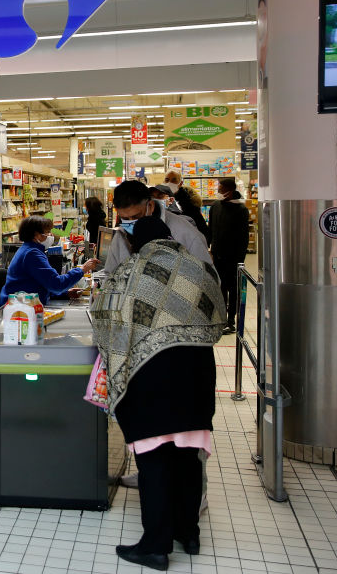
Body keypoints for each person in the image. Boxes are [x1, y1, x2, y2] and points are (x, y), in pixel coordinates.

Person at [90, 216, 223, 571]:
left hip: (151, 377)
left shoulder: (131, 271)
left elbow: (104, 313)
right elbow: (219, 311)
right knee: (188, 458)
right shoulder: (198, 268)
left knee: (154, 461)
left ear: (137, 244)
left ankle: (155, 545)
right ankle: (188, 533)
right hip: (196, 375)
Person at [104, 180, 211, 275]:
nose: (131, 222)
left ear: (150, 206)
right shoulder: (121, 236)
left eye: (136, 216)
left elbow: (208, 280)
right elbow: (109, 275)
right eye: (125, 218)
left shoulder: (185, 233)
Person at [0, 216, 98, 307]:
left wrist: (65, 294)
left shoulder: (29, 249)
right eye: (47, 232)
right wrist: (82, 269)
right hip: (18, 310)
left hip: (22, 305)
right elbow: (56, 284)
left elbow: (41, 284)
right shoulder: (32, 254)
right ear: (36, 235)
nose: (51, 235)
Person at [208, 178, 251, 334]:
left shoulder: (241, 210)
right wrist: (209, 249)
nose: (218, 192)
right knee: (220, 288)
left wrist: (240, 259)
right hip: (218, 255)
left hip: (233, 257)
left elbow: (243, 236)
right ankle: (221, 318)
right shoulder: (215, 206)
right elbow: (211, 230)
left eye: (221, 189)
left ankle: (231, 320)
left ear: (230, 191)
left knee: (233, 289)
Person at [163, 171, 210, 245]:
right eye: (167, 180)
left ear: (180, 183)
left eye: (174, 180)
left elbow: (202, 230)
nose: (170, 183)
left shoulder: (189, 204)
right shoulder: (159, 200)